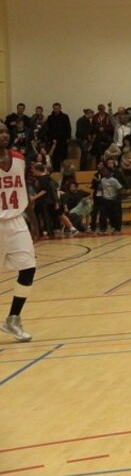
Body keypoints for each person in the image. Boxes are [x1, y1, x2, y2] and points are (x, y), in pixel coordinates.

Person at [0, 124, 35, 342]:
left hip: (16, 221)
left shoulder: (19, 158)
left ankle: (13, 318)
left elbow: (24, 189)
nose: (3, 135)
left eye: (5, 131)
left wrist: (35, 222)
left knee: (28, 269)